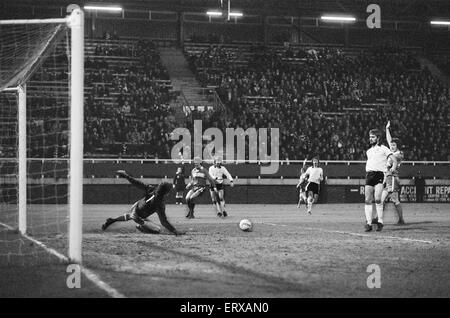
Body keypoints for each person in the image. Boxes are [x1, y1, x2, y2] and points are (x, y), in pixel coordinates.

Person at [101, 170, 184, 235]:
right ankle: (142, 226)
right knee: (157, 229)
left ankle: (113, 220)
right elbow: (164, 222)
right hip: (139, 217)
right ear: (166, 193)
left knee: (133, 215)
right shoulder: (160, 204)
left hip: (136, 207)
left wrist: (126, 175)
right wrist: (175, 231)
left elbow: (136, 183)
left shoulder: (152, 189)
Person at [364, 129, 397, 232]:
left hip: (379, 175)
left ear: (378, 138)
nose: (371, 139)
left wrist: (392, 169)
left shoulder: (384, 149)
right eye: (370, 137)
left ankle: (380, 222)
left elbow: (394, 160)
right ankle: (368, 223)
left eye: (373, 137)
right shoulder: (368, 151)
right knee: (367, 200)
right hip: (369, 174)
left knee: (378, 199)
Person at [380, 121, 405, 225]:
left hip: (393, 178)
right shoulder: (393, 152)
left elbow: (393, 162)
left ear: (397, 146)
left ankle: (401, 220)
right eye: (391, 145)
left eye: (394, 145)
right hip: (388, 178)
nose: (392, 146)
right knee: (382, 200)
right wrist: (387, 129)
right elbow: (389, 140)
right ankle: (378, 218)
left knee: (394, 200)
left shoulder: (398, 154)